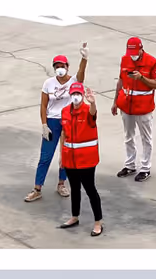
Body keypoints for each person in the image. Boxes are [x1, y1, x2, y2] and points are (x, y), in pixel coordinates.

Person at [27, 45, 88, 204]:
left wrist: (84, 58)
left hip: (68, 121)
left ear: (67, 67)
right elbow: (43, 105)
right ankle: (37, 188)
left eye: (62, 66)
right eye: (57, 66)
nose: (60, 68)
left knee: (66, 155)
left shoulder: (73, 81)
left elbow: (81, 74)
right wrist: (44, 124)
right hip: (52, 121)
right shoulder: (48, 83)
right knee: (45, 156)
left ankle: (61, 184)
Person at [112, 37, 156, 183]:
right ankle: (130, 165)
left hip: (144, 107)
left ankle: (145, 168)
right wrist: (115, 101)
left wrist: (141, 78)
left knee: (146, 138)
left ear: (141, 49)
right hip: (126, 105)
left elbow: (155, 84)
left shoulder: (152, 62)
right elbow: (121, 81)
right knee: (128, 136)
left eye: (134, 52)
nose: (132, 55)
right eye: (130, 52)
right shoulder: (125, 59)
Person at [56, 81, 103, 238]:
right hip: (70, 159)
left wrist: (93, 103)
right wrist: (61, 155)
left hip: (86, 159)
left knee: (90, 189)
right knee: (74, 188)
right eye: (73, 94)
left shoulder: (87, 110)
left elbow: (93, 115)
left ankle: (98, 222)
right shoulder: (65, 111)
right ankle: (74, 217)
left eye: (78, 94)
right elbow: (63, 133)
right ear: (70, 95)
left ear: (82, 95)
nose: (76, 96)